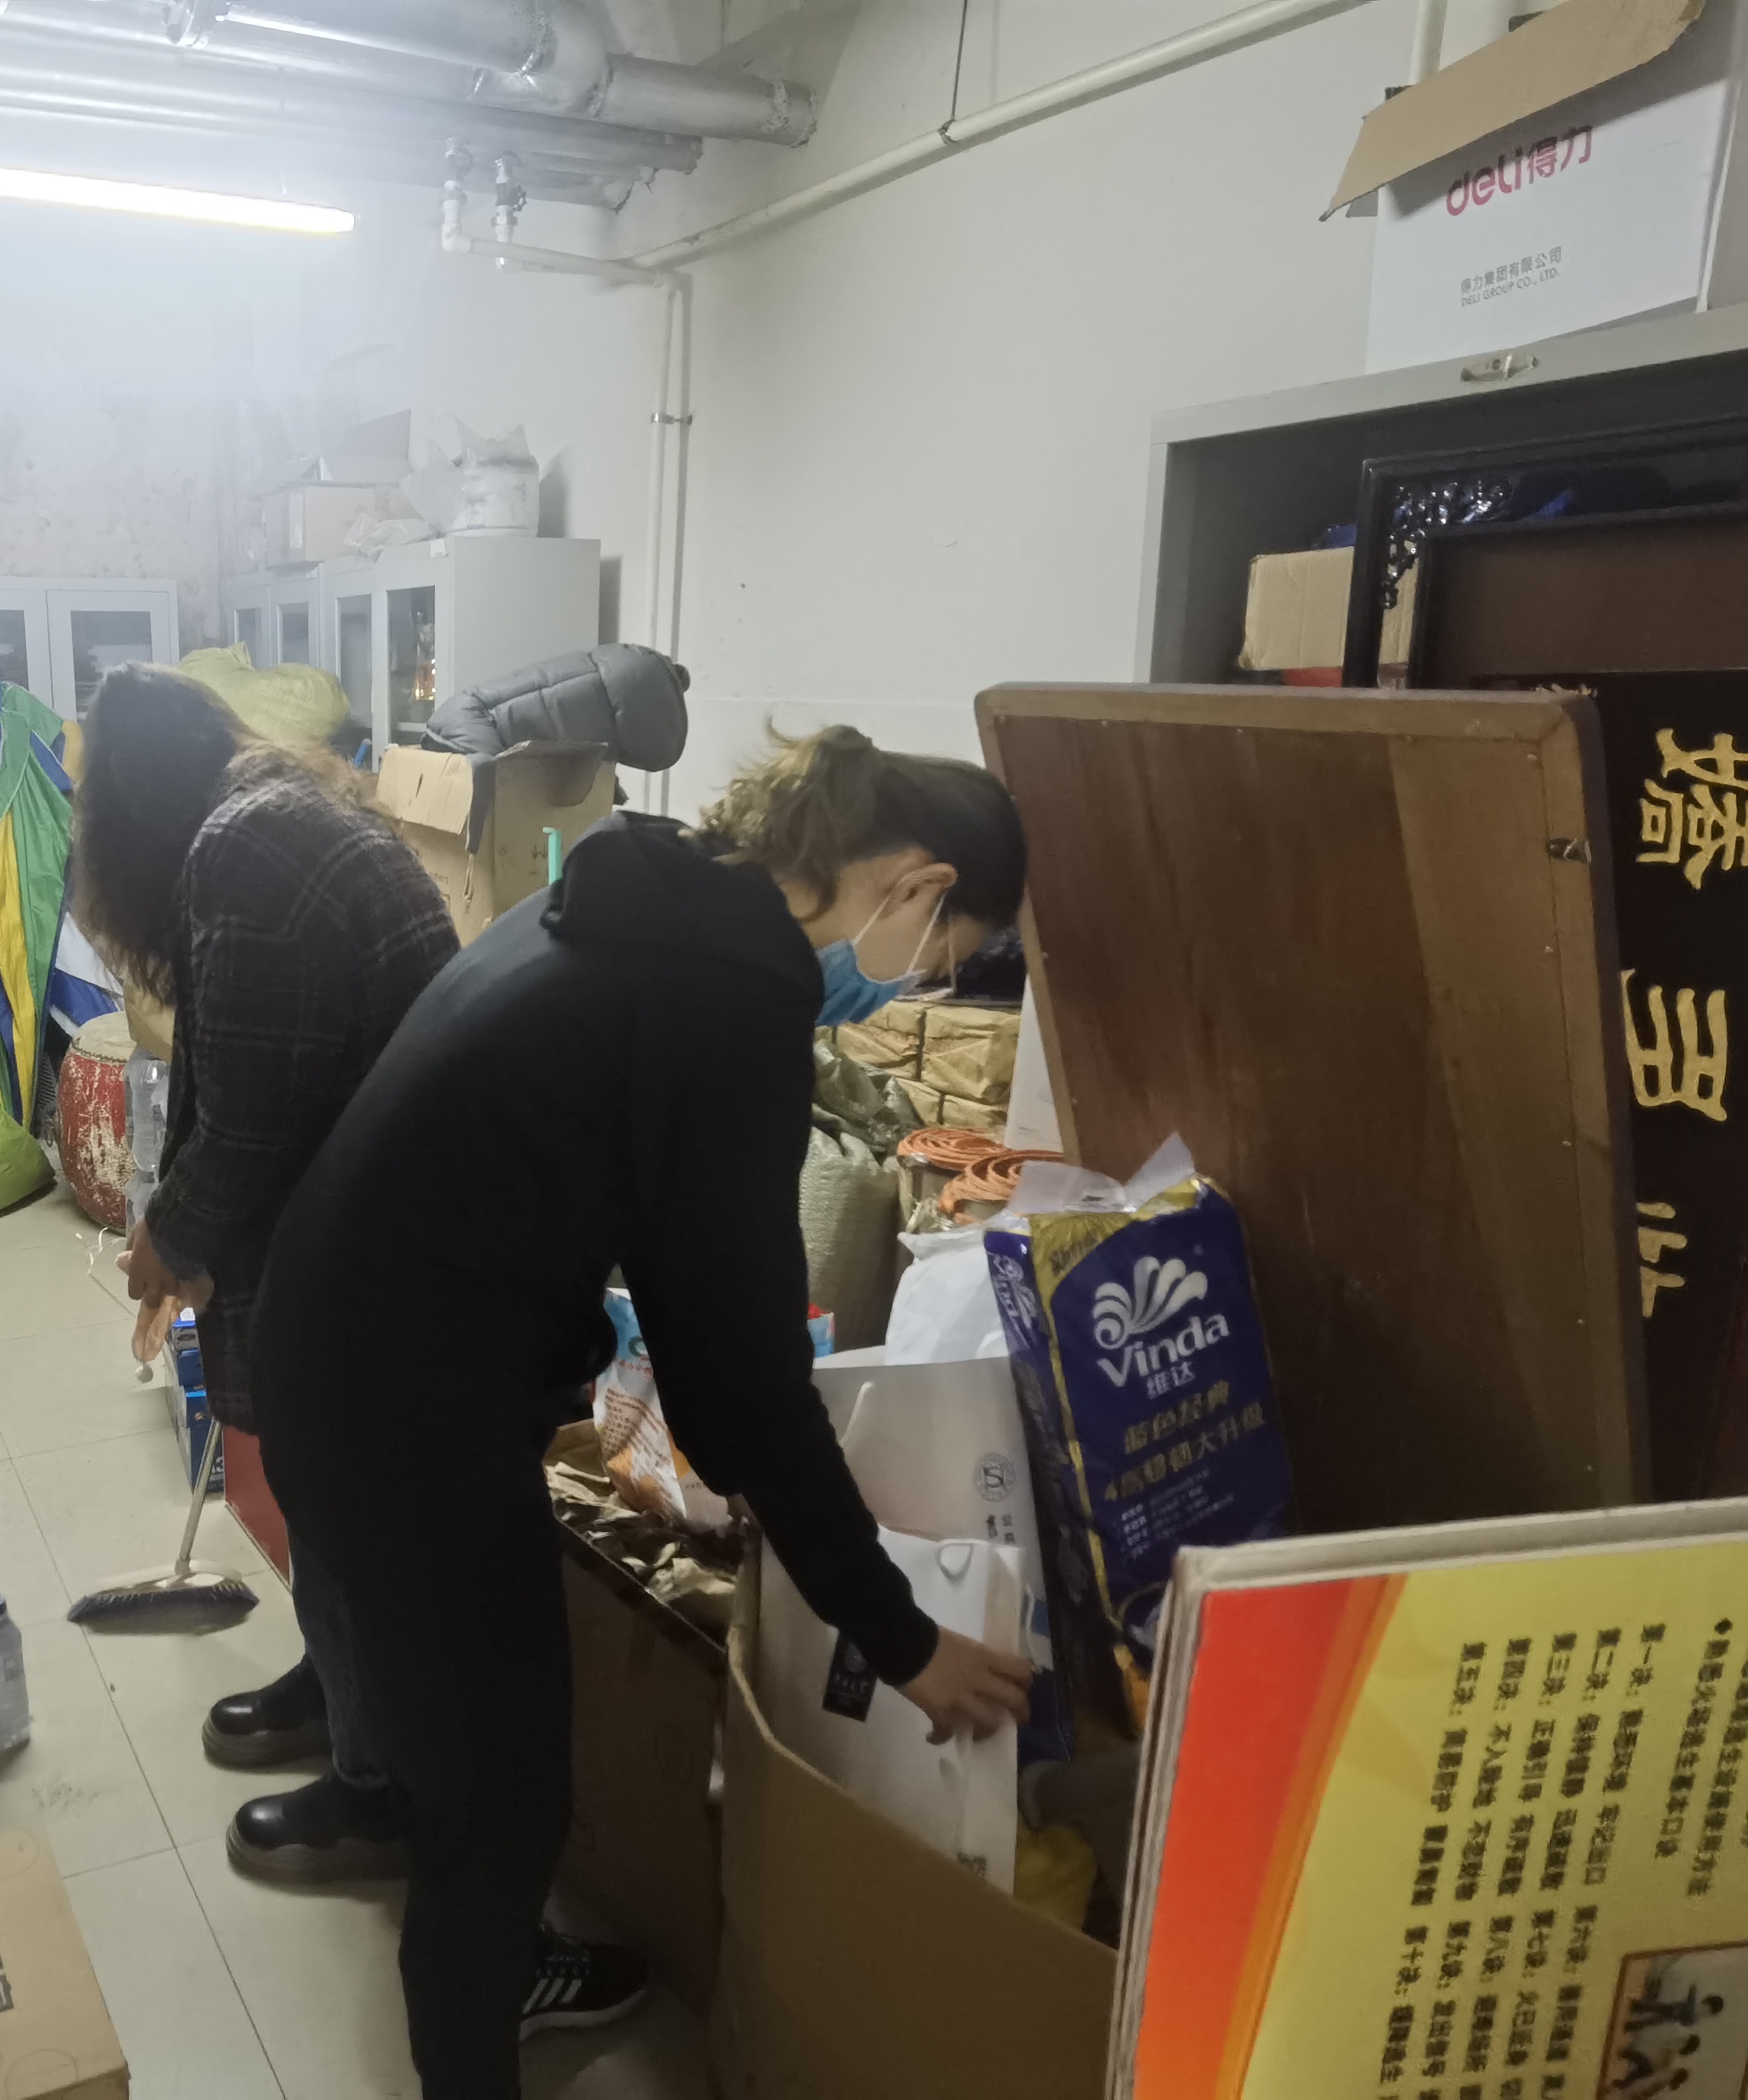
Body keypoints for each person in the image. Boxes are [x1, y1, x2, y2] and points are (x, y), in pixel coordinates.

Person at [252, 726, 1039, 2092]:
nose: (919, 983)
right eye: (945, 954)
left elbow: (625, 1214)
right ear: (918, 885)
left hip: (335, 1358)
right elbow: (742, 1382)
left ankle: (477, 1939)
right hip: (403, 1422)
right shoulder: (728, 995)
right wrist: (901, 1634)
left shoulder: (643, 893)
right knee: (503, 1809)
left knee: (462, 1752)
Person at [70, 662, 460, 1881]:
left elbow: (250, 1118)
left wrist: (171, 1239)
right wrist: (179, 1229)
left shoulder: (249, 850)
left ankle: (377, 1787)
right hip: (365, 1203)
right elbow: (239, 1077)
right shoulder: (262, 816)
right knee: (317, 1480)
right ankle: (339, 1685)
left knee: (340, 1493)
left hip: (383, 1235)